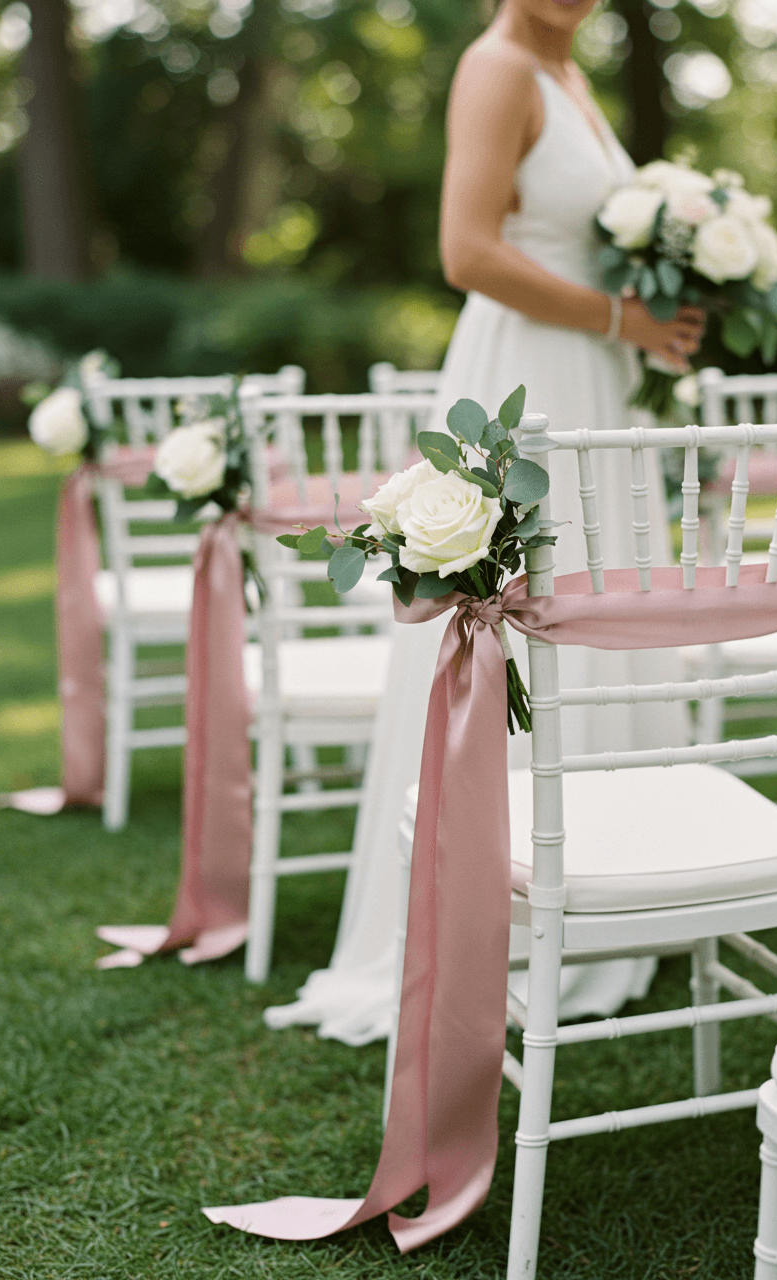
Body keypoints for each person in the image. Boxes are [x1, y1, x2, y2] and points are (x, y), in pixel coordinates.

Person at [264, 0, 705, 1042]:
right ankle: (491, 910)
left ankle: (606, 889)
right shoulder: (496, 64)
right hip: (526, 374)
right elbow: (465, 251)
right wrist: (621, 318)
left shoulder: (571, 76)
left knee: (597, 612)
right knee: (517, 610)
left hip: (594, 373)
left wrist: (650, 303)